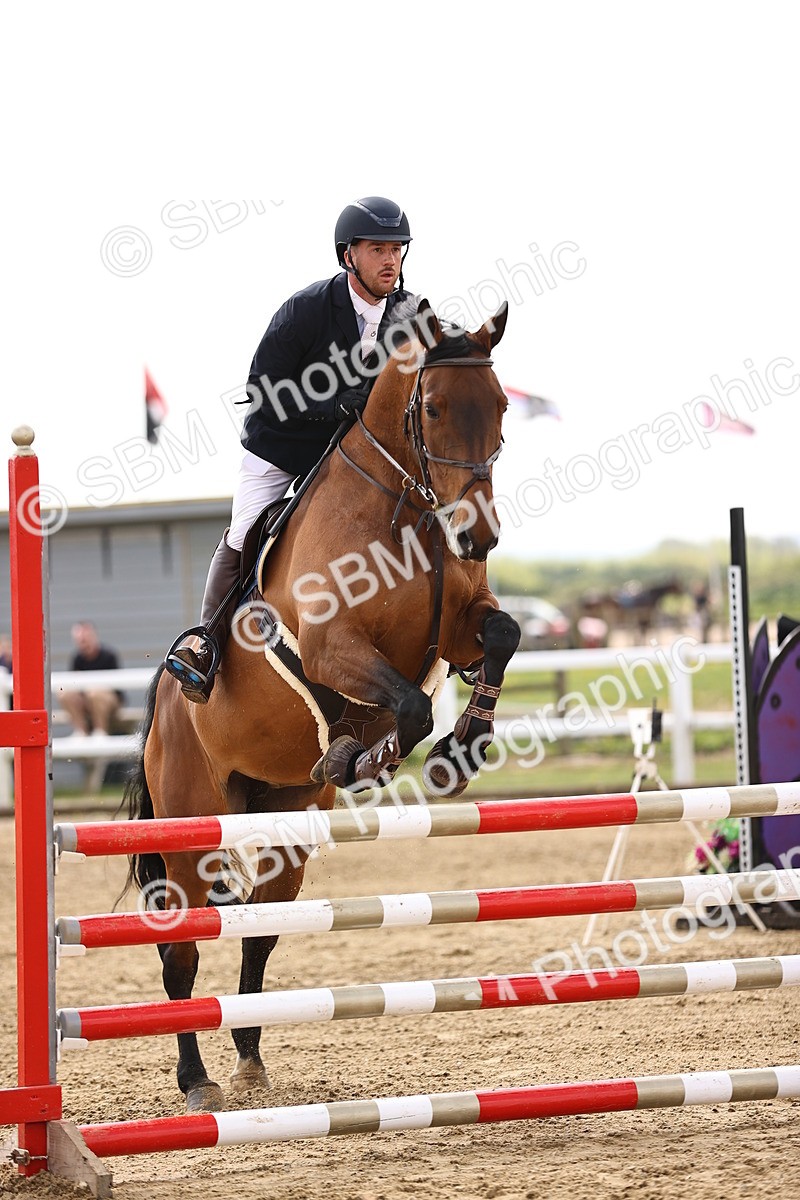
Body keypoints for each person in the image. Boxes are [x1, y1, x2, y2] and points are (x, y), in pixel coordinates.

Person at [165, 195, 414, 703]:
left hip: (353, 458)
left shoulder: (410, 313)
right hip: (282, 445)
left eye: (398, 249)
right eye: (378, 249)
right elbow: (262, 388)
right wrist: (330, 404)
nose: (391, 260)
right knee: (244, 531)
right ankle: (206, 641)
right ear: (349, 255)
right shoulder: (305, 310)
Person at [59, 621, 123, 737]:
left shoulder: (108, 656)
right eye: (80, 640)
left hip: (108, 701)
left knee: (95, 693)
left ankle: (100, 731)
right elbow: (73, 684)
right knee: (64, 693)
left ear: (94, 636)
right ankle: (80, 731)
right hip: (86, 700)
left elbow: (117, 689)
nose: (83, 643)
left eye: (85, 639)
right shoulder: (77, 658)